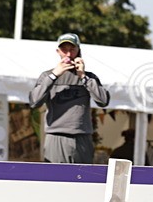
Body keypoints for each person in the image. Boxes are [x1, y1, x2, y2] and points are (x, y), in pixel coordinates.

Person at [28, 33, 111, 164]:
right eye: (64, 50)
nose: (68, 54)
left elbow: (103, 101)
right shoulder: (47, 76)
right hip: (56, 136)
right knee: (55, 175)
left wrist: (83, 76)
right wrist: (54, 75)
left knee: (83, 176)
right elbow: (34, 102)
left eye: (72, 49)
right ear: (58, 51)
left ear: (79, 50)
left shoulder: (89, 77)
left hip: (82, 137)